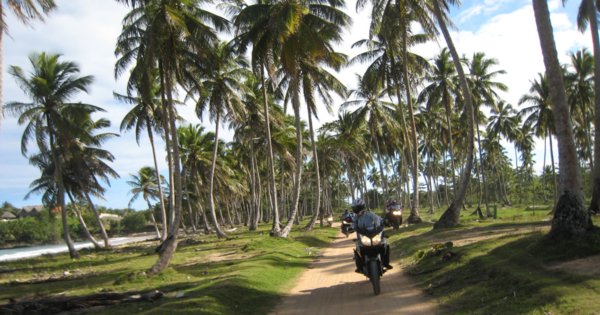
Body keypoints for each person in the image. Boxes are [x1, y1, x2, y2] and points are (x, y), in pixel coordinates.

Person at [349, 198, 393, 273]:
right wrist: (351, 228)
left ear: (362, 207)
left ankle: (386, 263)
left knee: (384, 244)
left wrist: (384, 222)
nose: (356, 209)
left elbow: (378, 219)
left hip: (373, 232)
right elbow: (353, 224)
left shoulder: (370, 214)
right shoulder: (356, 217)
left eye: (357, 208)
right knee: (358, 248)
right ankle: (359, 266)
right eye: (355, 208)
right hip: (363, 234)